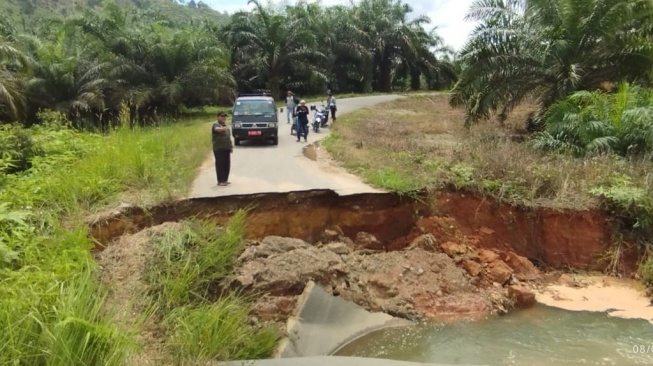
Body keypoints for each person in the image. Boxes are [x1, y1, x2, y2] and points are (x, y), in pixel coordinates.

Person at [212, 111, 233, 186]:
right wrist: (223, 128)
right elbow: (217, 129)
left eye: (225, 116)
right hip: (219, 149)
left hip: (226, 148)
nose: (224, 118)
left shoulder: (225, 125)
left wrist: (230, 147)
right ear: (218, 117)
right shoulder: (215, 124)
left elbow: (228, 137)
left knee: (227, 165)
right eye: (222, 116)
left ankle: (225, 180)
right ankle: (220, 181)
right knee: (220, 164)